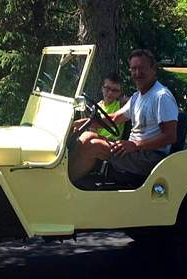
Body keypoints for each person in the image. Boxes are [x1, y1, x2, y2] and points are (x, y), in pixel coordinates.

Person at [69, 49, 178, 183]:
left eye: (142, 68)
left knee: (93, 145)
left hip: (150, 156)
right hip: (135, 150)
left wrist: (135, 145)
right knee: (87, 136)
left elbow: (170, 136)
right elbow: (113, 119)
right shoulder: (137, 96)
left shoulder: (161, 96)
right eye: (134, 69)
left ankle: (63, 190)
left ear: (153, 69)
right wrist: (78, 123)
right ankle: (69, 181)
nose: (137, 73)